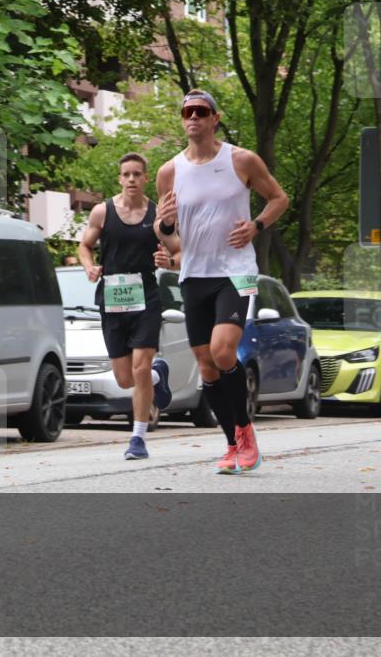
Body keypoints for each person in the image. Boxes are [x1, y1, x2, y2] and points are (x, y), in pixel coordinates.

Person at [155, 89, 288, 474]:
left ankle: (246, 432)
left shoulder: (241, 159)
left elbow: (279, 198)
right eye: (186, 112)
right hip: (194, 274)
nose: (193, 117)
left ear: (215, 118)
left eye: (201, 111)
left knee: (223, 350)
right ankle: (233, 443)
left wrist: (256, 225)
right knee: (206, 365)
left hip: (237, 271)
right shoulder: (170, 171)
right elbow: (166, 230)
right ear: (182, 120)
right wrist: (165, 233)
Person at [79, 152, 173, 461]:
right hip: (112, 299)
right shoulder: (102, 212)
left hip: (146, 298)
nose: (131, 179)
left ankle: (138, 439)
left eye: (137, 174)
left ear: (146, 178)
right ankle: (159, 377)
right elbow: (84, 246)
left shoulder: (158, 216)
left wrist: (168, 260)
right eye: (126, 174)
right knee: (124, 379)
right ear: (119, 179)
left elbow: (179, 252)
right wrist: (89, 266)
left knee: (140, 367)